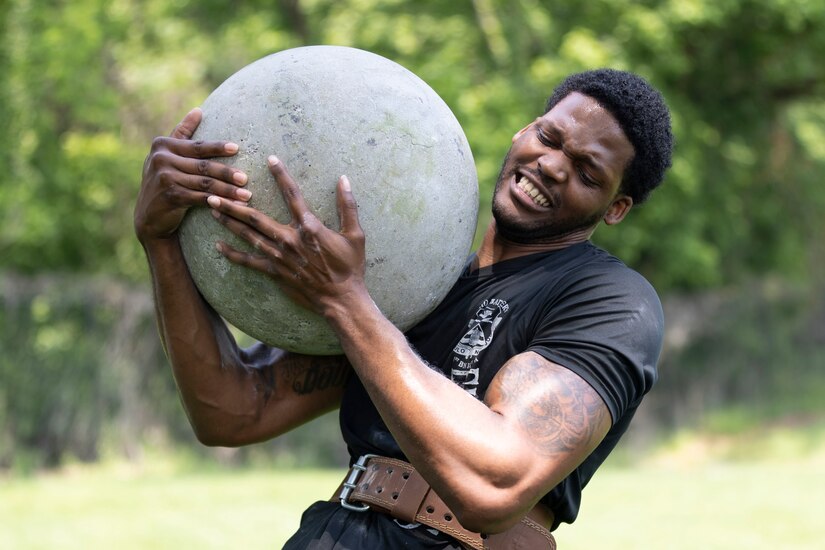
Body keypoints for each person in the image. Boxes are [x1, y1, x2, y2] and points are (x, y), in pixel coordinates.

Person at [134, 68, 673, 549]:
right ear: (523, 131)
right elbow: (233, 408)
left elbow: (495, 484)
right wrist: (160, 241)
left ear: (616, 208)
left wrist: (345, 300)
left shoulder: (611, 301)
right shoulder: (410, 286)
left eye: (587, 172)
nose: (552, 165)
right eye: (549, 138)